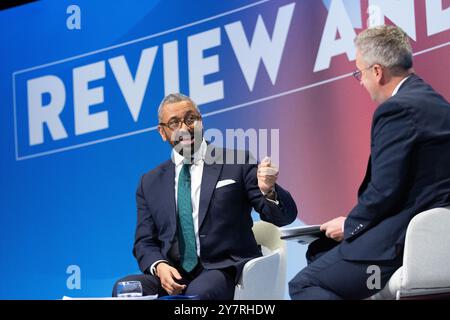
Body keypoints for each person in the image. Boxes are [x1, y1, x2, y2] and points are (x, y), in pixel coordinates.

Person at [289, 25, 450, 300]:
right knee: (319, 250)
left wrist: (350, 224)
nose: (361, 81)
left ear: (377, 72)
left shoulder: (396, 109)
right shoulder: (437, 103)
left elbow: (385, 190)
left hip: (399, 247)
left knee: (303, 285)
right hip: (436, 240)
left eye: (359, 73)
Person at [113, 93, 298, 299]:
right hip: (173, 273)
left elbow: (283, 218)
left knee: (199, 294)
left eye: (191, 119)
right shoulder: (149, 182)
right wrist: (159, 266)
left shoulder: (236, 162)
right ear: (162, 132)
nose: (185, 128)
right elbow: (144, 242)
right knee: (125, 289)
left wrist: (269, 191)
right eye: (174, 123)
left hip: (223, 268)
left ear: (200, 120)